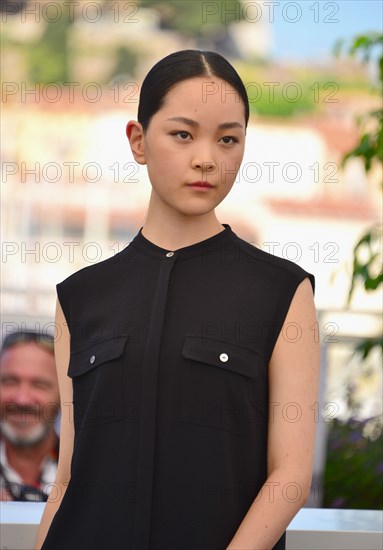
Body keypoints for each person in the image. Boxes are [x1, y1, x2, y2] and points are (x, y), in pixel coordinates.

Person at [35, 49, 320, 550]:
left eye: (228, 138)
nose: (207, 158)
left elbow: (291, 475)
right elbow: (69, 477)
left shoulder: (282, 291)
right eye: (183, 134)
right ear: (139, 141)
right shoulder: (80, 297)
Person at [0, 330, 60, 502]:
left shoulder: (89, 471)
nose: (22, 400)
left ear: (63, 395)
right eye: (10, 381)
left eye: (39, 385)